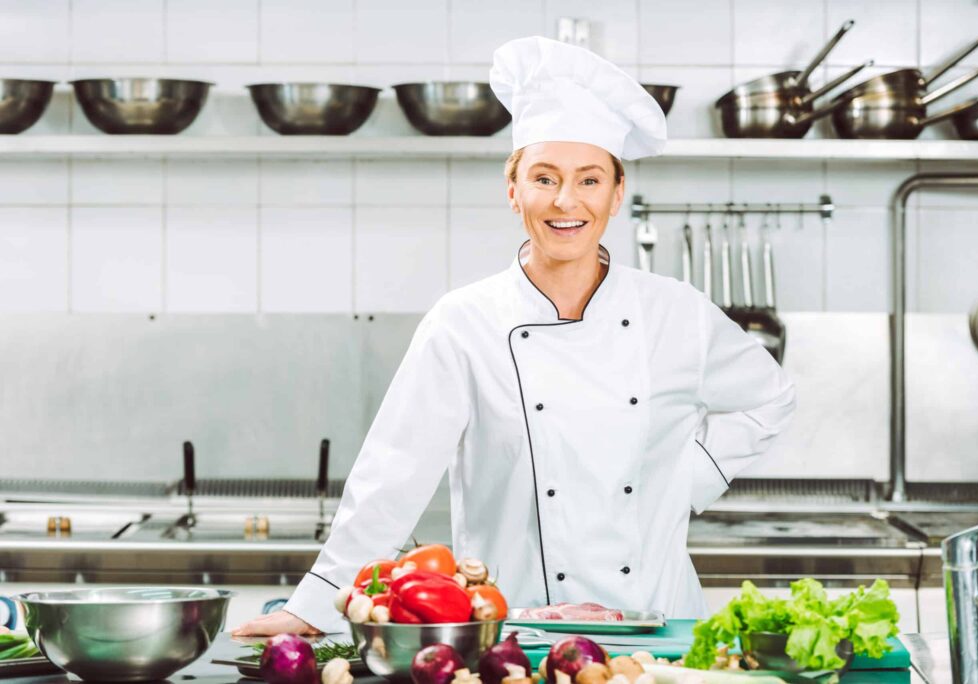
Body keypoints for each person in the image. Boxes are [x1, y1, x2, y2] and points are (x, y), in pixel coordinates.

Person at [233, 36, 795, 637]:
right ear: (513, 190)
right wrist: (313, 608)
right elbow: (394, 472)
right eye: (544, 177)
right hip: (509, 631)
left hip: (659, 628)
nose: (565, 201)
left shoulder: (676, 314)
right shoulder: (464, 322)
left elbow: (770, 397)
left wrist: (689, 480)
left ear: (615, 194)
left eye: (588, 180)